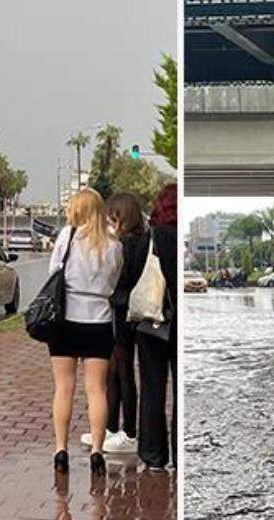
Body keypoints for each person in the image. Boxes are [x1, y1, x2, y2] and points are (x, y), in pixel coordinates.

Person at [47, 189, 123, 474]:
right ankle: (97, 452)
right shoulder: (114, 244)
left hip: (65, 320)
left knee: (63, 387)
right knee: (97, 390)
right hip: (99, 320)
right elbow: (114, 281)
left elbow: (54, 271)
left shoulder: (67, 237)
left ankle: (60, 450)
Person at [80, 192, 146, 453]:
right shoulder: (133, 240)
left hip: (124, 311)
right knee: (114, 372)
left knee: (123, 371)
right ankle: (110, 428)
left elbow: (121, 277)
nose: (108, 221)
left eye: (112, 216)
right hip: (119, 310)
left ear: (121, 216)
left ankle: (128, 432)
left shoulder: (129, 243)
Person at [125, 184, 177, 471]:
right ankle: (180, 455)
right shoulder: (181, 239)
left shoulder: (148, 237)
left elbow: (131, 275)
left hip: (150, 321)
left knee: (152, 388)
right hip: (179, 321)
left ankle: (153, 454)